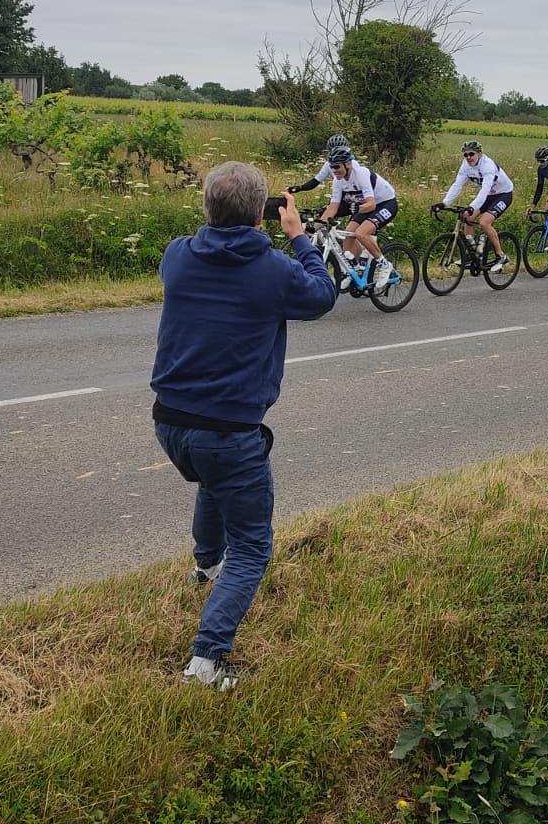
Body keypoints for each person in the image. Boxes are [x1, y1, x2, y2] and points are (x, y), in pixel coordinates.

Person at [151, 161, 337, 690]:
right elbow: (322, 295)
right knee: (253, 547)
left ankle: (207, 565)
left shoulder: (178, 256)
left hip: (170, 423)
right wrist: (299, 237)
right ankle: (206, 662)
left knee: (216, 482)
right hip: (229, 430)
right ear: (262, 213)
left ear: (206, 208)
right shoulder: (274, 269)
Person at [317, 147, 398, 290]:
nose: (334, 171)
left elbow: (371, 204)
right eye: (332, 167)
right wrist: (318, 224)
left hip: (385, 203)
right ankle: (352, 270)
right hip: (365, 205)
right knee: (349, 232)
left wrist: (358, 209)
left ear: (348, 164)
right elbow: (333, 208)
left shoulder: (361, 174)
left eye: (337, 167)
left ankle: (384, 265)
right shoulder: (338, 180)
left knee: (361, 233)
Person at [437, 141, 515, 269]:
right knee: (467, 218)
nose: (468, 157)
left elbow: (485, 189)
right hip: (488, 195)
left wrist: (472, 207)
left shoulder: (487, 165)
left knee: (485, 222)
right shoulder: (466, 165)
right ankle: (472, 252)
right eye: (465, 155)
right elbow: (457, 185)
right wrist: (444, 202)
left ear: (479, 153)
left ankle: (501, 256)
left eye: (471, 154)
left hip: (503, 194)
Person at [286, 133, 352, 197]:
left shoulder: (353, 164)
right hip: (339, 193)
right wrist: (299, 188)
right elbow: (316, 181)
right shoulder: (328, 164)